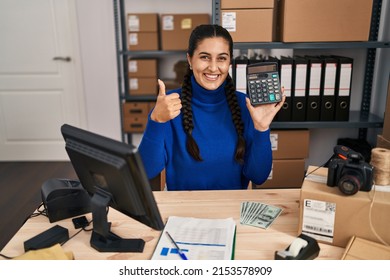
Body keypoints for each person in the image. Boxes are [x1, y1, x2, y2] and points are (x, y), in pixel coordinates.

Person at [139, 24, 285, 191]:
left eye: (221, 58)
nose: (213, 67)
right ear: (190, 60)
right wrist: (155, 121)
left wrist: (261, 129)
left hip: (231, 211)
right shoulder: (168, 106)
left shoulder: (247, 106)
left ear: (229, 62)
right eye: (205, 57)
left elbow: (259, 176)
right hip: (184, 212)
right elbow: (145, 172)